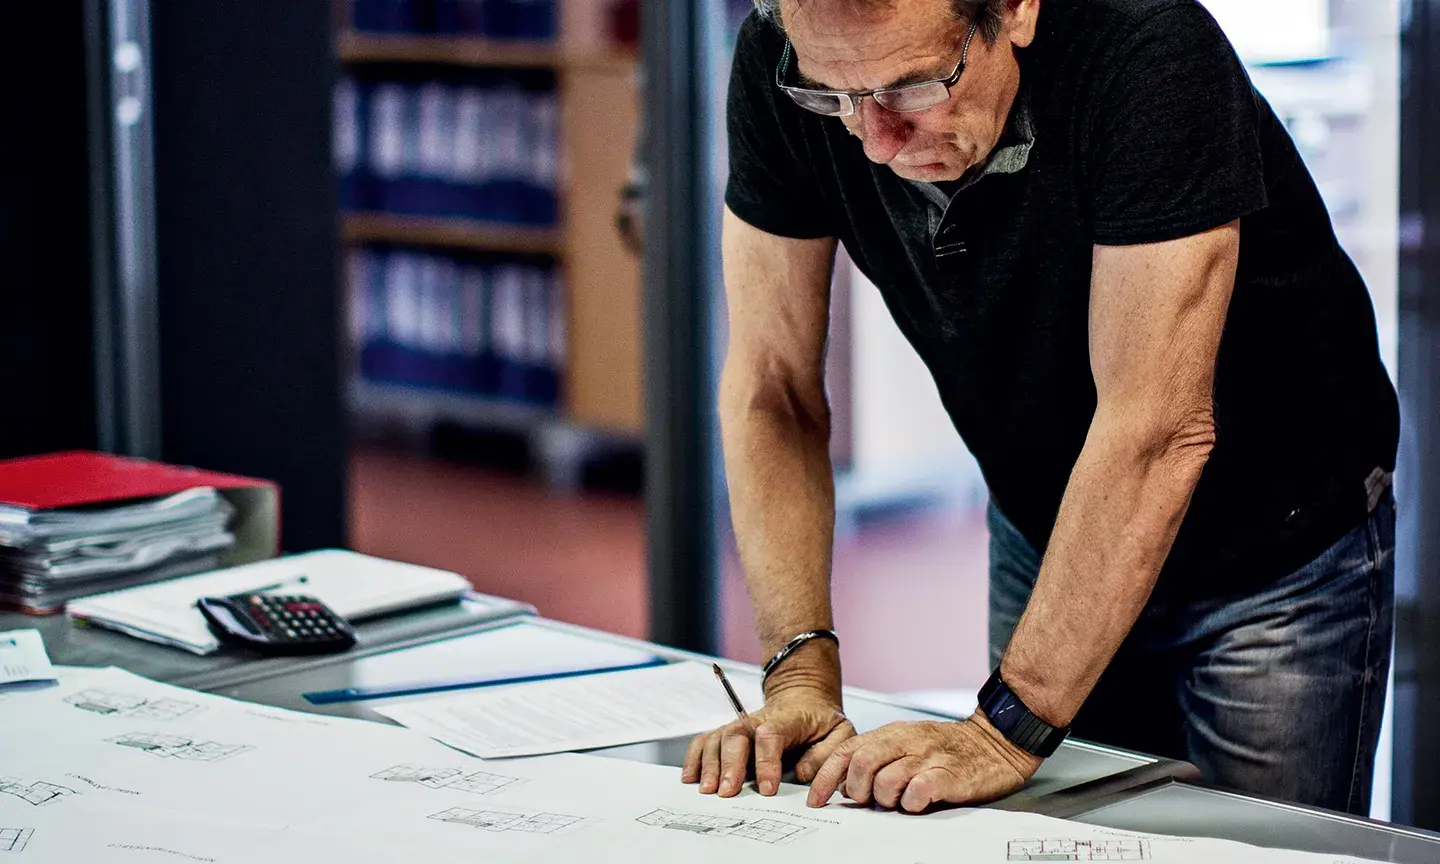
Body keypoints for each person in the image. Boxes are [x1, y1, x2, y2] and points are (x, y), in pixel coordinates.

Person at [680, 0, 1400, 817]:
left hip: (1275, 544)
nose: (873, 140)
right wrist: (800, 672)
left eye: (913, 88)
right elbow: (772, 389)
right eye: (835, 98)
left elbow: (1157, 431)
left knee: (1251, 851)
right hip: (1054, 515)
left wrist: (1003, 730)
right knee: (1048, 840)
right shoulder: (796, 54)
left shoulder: (1151, 52)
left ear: (1017, 8)